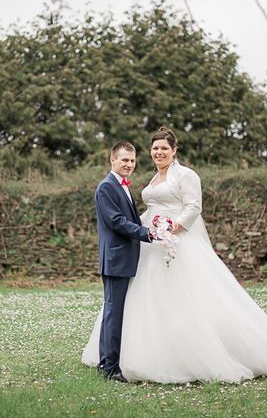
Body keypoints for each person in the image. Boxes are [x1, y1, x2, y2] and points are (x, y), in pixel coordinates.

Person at [82, 127, 267, 383]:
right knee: (143, 300)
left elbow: (194, 206)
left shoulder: (186, 175)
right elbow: (139, 215)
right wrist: (150, 230)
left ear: (174, 151)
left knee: (188, 298)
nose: (158, 152)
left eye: (164, 148)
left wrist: (172, 228)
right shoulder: (149, 180)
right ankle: (134, 355)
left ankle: (194, 353)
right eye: (155, 148)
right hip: (151, 244)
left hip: (177, 242)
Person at [94, 141, 154, 383]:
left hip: (122, 258)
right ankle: (110, 369)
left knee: (112, 311)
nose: (129, 164)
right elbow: (117, 221)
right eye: (124, 160)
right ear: (112, 160)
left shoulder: (123, 186)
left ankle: (103, 363)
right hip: (115, 258)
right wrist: (146, 232)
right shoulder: (106, 188)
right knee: (114, 313)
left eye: (132, 160)